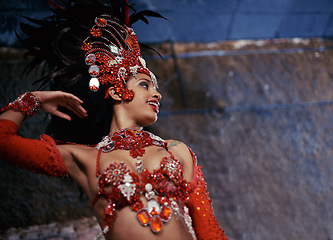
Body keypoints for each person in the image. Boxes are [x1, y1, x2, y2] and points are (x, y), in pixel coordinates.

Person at [0, 0, 227, 239]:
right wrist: (33, 99)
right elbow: (4, 142)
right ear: (117, 92)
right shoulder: (83, 159)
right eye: (144, 84)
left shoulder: (178, 151)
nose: (157, 93)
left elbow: (209, 229)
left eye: (156, 87)